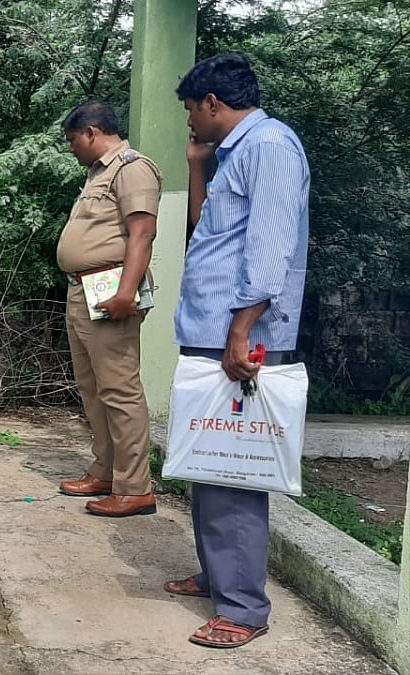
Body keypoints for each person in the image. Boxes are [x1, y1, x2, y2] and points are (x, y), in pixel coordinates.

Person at [164, 53, 310, 649]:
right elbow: (212, 230)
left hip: (240, 335)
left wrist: (241, 331)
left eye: (191, 111)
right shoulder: (234, 153)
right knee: (210, 460)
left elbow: (271, 250)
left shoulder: (270, 147)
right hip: (215, 329)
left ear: (212, 103)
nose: (190, 122)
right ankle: (220, 575)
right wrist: (198, 164)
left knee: (235, 470)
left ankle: (243, 608)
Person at [54, 100, 162, 518]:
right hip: (83, 290)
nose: (71, 148)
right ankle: (106, 471)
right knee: (93, 387)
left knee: (119, 389)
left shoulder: (132, 168)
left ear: (92, 132)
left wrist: (126, 292)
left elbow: (142, 233)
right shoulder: (98, 173)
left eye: (73, 139)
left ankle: (135, 488)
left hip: (111, 290)